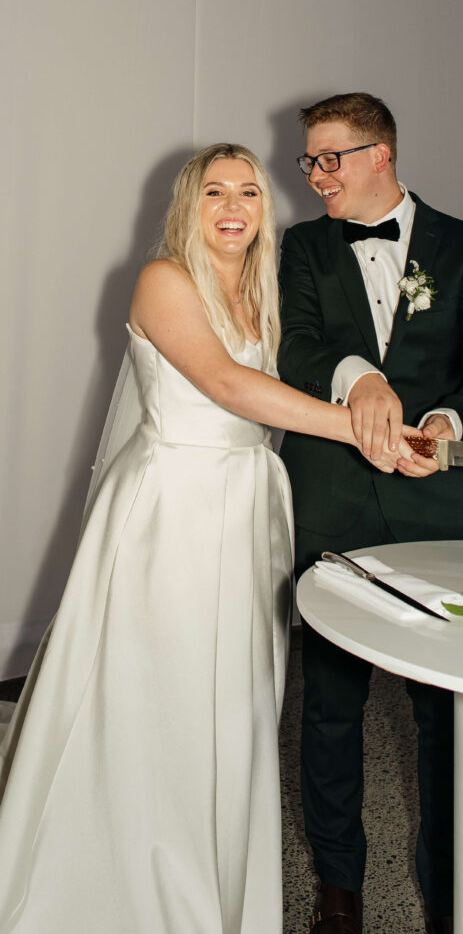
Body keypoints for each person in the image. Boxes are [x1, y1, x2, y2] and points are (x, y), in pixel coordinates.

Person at [0, 143, 414, 934]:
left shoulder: (265, 284)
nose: (233, 206)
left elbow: (316, 359)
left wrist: (377, 400)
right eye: (214, 192)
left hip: (251, 503)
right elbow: (227, 385)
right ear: (188, 206)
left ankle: (216, 888)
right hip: (172, 509)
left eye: (249, 192)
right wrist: (360, 433)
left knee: (237, 703)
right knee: (158, 696)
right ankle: (127, 890)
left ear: (266, 207)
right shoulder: (164, 280)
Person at [277, 93, 463, 934]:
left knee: (443, 712)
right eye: (308, 160)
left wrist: (450, 425)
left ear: (380, 154)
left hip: (439, 506)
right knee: (330, 706)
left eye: (327, 158)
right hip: (331, 500)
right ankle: (339, 886)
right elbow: (292, 343)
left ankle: (449, 887)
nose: (312, 176)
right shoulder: (299, 247)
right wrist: (356, 376)